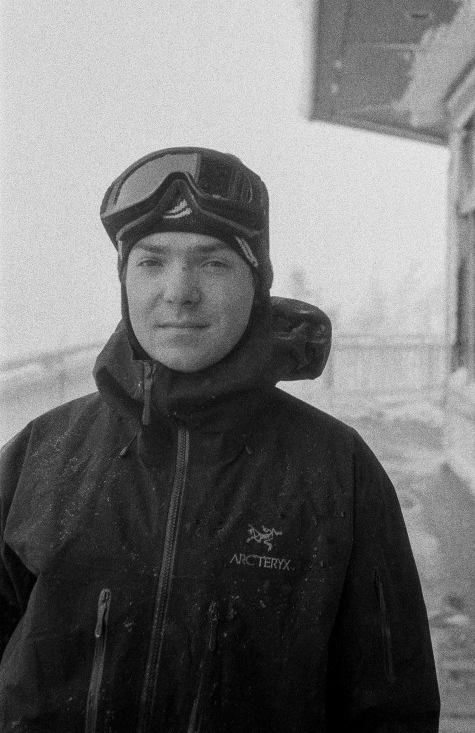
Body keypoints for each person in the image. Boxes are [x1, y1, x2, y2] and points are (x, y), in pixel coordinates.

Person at [0, 146, 440, 732]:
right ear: (124, 281)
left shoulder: (337, 470)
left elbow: (392, 707)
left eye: (212, 263)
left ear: (256, 283)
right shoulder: (44, 454)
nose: (178, 291)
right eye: (151, 262)